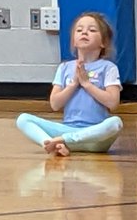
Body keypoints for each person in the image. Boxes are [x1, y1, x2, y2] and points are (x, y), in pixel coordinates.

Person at [16, 12, 123, 156]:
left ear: (103, 42)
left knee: (115, 123)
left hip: (95, 136)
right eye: (79, 30)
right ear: (73, 40)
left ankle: (64, 141)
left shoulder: (108, 68)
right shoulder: (65, 68)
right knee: (23, 119)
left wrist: (87, 84)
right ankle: (51, 144)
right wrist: (73, 84)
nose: (84, 32)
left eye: (92, 30)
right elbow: (55, 104)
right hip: (68, 128)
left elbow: (113, 102)